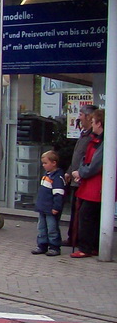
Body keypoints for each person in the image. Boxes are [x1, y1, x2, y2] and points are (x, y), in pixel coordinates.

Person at [70, 109, 105, 258]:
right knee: (91, 216)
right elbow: (85, 159)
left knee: (86, 215)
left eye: (93, 122)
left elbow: (95, 165)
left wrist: (81, 172)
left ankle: (86, 247)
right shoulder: (94, 140)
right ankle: (93, 246)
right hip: (89, 184)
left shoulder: (103, 143)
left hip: (95, 186)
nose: (92, 125)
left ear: (99, 123)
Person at [65, 104, 97, 248]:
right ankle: (72, 237)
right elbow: (76, 157)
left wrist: (80, 173)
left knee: (81, 212)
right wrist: (69, 171)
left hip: (82, 180)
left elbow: (88, 160)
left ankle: (78, 240)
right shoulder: (83, 135)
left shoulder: (92, 137)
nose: (79, 118)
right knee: (75, 210)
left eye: (81, 115)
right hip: (75, 178)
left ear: (89, 117)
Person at [32, 150, 66, 256]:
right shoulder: (47, 175)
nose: (43, 165)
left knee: (52, 228)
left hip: (51, 209)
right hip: (43, 208)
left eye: (45, 163)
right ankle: (42, 245)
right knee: (41, 228)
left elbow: (59, 194)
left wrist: (56, 207)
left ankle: (54, 247)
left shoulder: (57, 177)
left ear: (54, 163)